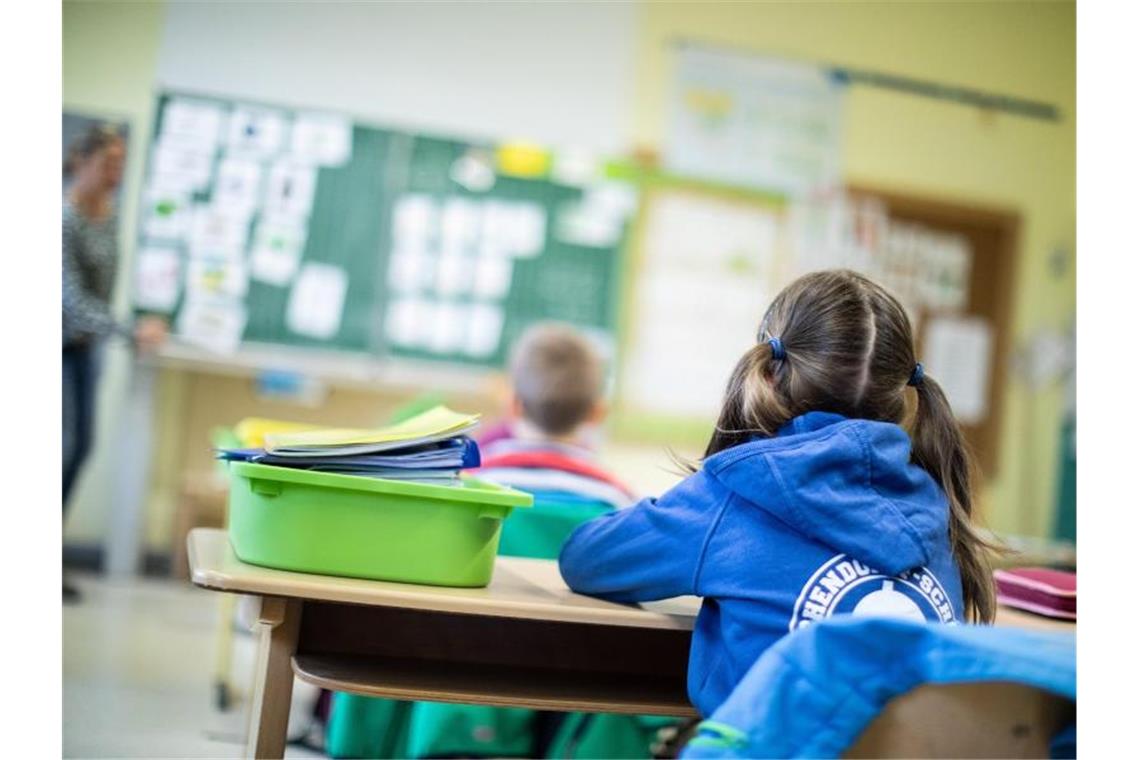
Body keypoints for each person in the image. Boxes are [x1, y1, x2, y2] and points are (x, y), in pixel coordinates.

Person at [558, 269, 999, 719]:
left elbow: (586, 559)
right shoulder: (937, 508)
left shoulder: (735, 493)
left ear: (769, 373)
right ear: (902, 394)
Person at [63, 124, 167, 602]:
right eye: (107, 164)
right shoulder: (62, 219)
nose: (115, 174)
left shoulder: (108, 215)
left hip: (87, 350)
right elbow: (69, 299)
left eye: (121, 165)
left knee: (80, 449)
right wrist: (130, 330)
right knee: (60, 452)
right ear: (79, 161)